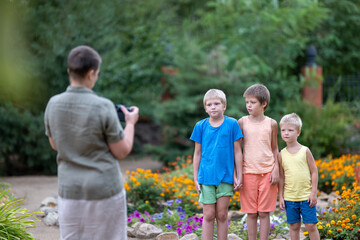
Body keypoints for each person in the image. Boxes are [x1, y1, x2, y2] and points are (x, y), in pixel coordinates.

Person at [44, 45, 139, 240]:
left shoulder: (53, 103)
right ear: (91, 73)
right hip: (104, 189)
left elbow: (55, 145)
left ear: (69, 70)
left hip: (70, 189)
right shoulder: (103, 106)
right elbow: (121, 151)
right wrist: (130, 123)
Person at [190, 89, 243, 240]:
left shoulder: (232, 124)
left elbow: (238, 152)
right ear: (205, 108)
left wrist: (239, 176)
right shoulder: (200, 126)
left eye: (217, 104)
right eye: (209, 104)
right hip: (206, 177)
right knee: (208, 215)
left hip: (226, 176)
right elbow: (197, 153)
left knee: (221, 214)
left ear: (224, 106)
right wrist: (195, 178)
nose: (213, 107)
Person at [238, 83, 279, 240]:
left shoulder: (272, 124)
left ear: (264, 104)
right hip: (248, 172)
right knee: (251, 212)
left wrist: (276, 169)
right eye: (247, 102)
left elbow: (275, 149)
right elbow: (237, 150)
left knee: (263, 212)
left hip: (268, 172)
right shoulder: (242, 122)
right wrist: (237, 173)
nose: (248, 105)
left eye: (252, 102)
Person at [278, 113, 320, 240]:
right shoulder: (281, 154)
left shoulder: (305, 151)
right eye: (283, 130)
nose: (286, 133)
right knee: (294, 226)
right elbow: (281, 177)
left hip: (306, 197)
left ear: (298, 132)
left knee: (311, 225)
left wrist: (313, 192)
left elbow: (314, 172)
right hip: (290, 197)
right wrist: (280, 196)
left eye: (290, 130)